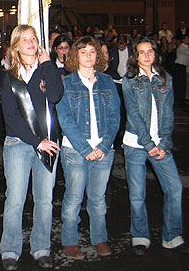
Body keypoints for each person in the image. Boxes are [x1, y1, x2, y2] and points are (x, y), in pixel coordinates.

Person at [0, 25, 64, 270]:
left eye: (33, 38)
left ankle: (41, 248)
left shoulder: (47, 71)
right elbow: (11, 117)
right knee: (15, 200)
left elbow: (56, 95)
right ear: (16, 46)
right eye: (24, 39)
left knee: (45, 200)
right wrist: (37, 142)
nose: (30, 42)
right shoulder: (8, 77)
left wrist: (48, 64)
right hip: (18, 144)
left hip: (49, 143)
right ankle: (10, 250)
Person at [121, 38, 189, 255]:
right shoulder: (130, 80)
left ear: (155, 54)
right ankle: (140, 236)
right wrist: (149, 144)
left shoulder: (165, 78)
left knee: (174, 188)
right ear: (135, 56)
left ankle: (172, 236)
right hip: (136, 144)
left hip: (161, 145)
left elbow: (169, 113)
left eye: (149, 51)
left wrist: (164, 143)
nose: (146, 55)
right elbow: (133, 115)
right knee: (137, 193)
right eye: (141, 52)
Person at [56, 36, 120, 260]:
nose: (88, 56)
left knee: (98, 198)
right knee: (74, 197)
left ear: (98, 56)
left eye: (92, 52)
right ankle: (70, 240)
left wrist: (103, 145)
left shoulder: (107, 82)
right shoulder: (66, 83)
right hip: (75, 150)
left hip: (103, 149)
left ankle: (100, 238)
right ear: (75, 56)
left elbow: (114, 117)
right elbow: (65, 119)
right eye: (83, 52)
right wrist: (85, 149)